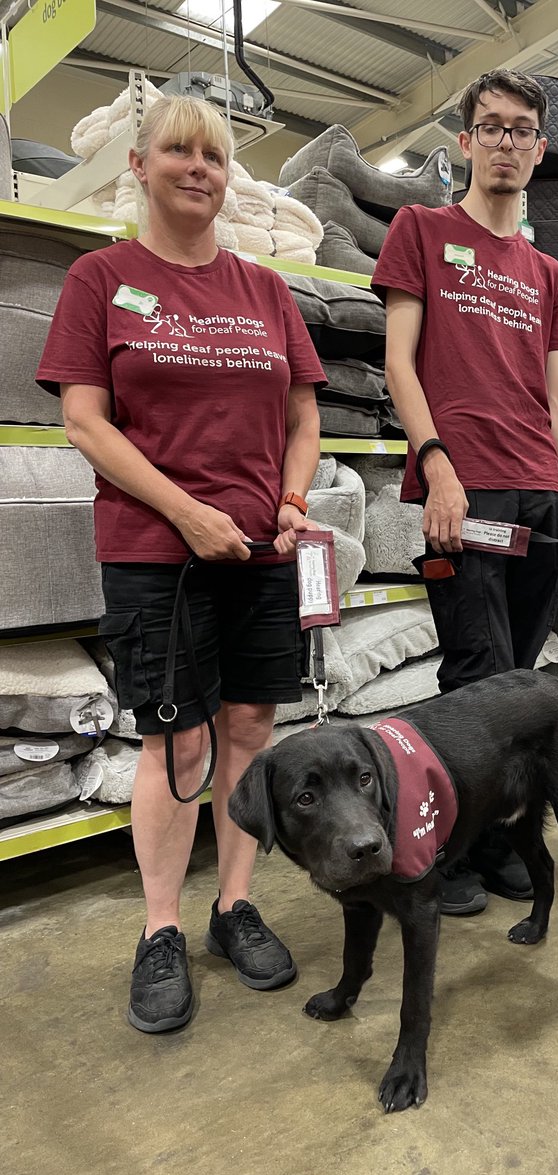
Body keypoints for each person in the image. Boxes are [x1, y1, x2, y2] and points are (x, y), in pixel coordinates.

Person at [36, 95, 327, 1033]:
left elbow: (303, 415)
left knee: (248, 724)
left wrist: (290, 501)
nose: (198, 166)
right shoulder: (101, 277)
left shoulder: (267, 289)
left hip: (261, 548)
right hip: (157, 551)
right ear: (138, 161)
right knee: (177, 742)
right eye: (178, 150)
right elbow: (85, 420)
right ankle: (160, 928)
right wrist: (185, 512)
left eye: (214, 153)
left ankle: (233, 906)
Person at [371, 70, 558, 916]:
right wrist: (435, 464)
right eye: (491, 127)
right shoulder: (421, 230)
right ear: (465, 142)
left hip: (538, 494)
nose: (506, 142)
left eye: (521, 130)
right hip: (462, 493)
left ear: (539, 149)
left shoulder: (549, 275)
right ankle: (448, 850)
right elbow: (399, 362)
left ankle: (503, 839)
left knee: (518, 680)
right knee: (472, 677)